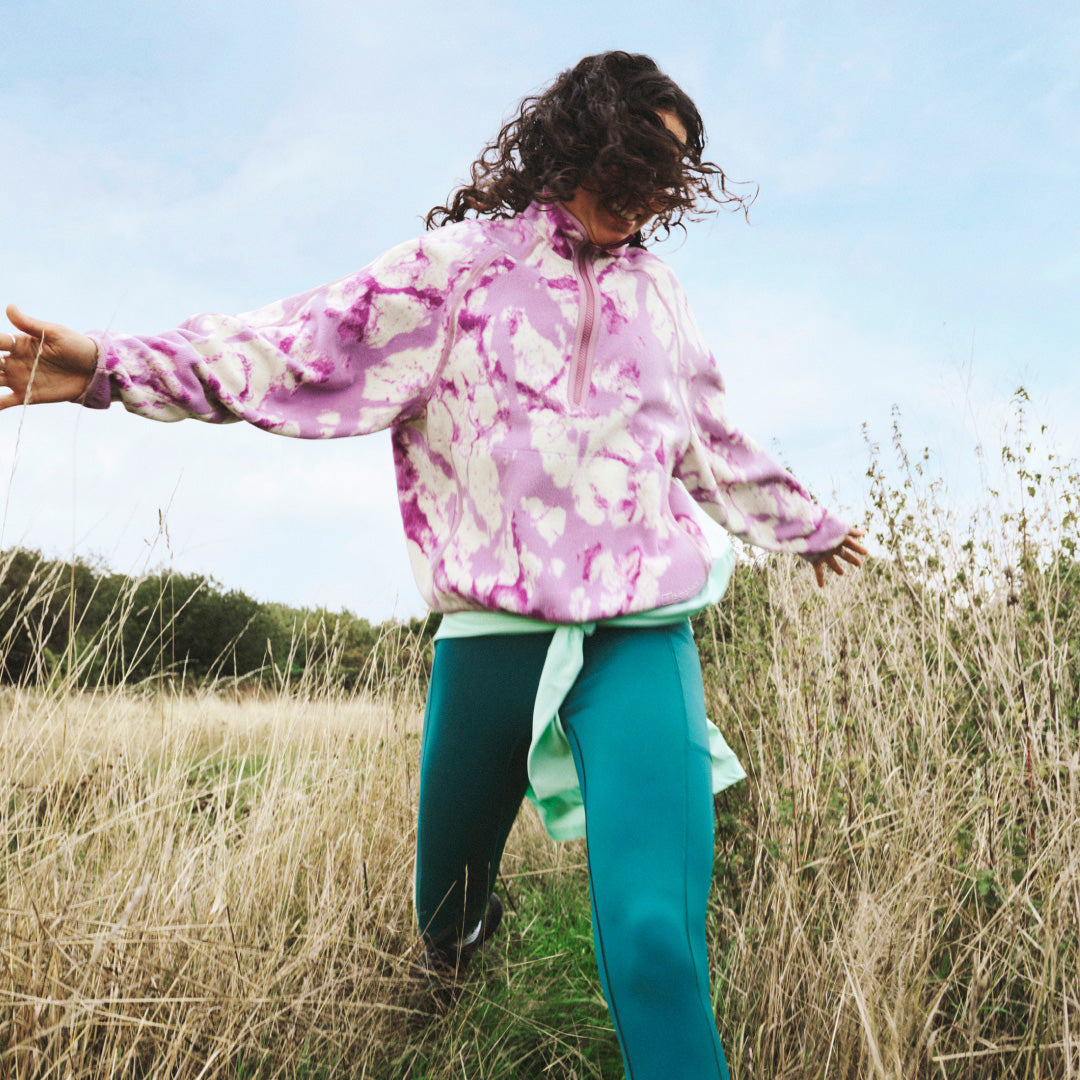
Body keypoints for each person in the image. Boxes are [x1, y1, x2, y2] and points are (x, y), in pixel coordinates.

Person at [0, 51, 865, 1080]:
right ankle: (454, 973)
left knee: (652, 938)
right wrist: (111, 366)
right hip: (490, 638)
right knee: (446, 906)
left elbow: (709, 442)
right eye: (640, 155)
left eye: (674, 174)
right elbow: (296, 348)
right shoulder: (458, 269)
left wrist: (807, 523)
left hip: (641, 634)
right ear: (578, 139)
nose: (653, 190)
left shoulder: (660, 297)